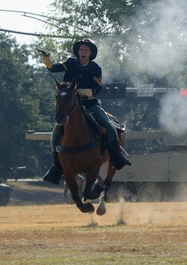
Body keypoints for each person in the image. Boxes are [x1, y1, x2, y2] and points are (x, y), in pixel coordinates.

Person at [41, 39, 131, 185]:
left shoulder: (95, 68)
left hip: (89, 104)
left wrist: (85, 92)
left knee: (108, 126)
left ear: (90, 53)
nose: (83, 51)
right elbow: (54, 68)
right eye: (81, 49)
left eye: (86, 50)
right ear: (78, 51)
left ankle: (116, 156)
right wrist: (47, 61)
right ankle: (57, 167)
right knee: (54, 137)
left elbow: (98, 88)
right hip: (70, 107)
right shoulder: (70, 63)